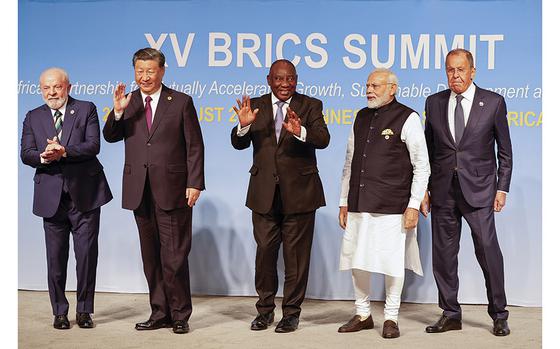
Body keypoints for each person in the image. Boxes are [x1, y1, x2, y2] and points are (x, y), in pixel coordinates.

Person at [103, 48, 205, 334]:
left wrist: (195, 182)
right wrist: (118, 111)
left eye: (150, 71)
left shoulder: (181, 102)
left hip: (173, 189)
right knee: (151, 258)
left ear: (162, 71)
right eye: (139, 71)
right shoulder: (129, 101)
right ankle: (159, 312)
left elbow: (194, 146)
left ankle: (180, 314)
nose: (144, 76)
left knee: (174, 256)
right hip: (139, 191)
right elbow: (110, 136)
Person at [231, 59, 330, 333]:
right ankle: (264, 311)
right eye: (279, 79)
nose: (285, 85)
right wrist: (243, 126)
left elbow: (323, 139)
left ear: (296, 79)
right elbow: (238, 143)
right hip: (263, 195)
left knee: (296, 259)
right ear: (269, 79)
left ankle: (291, 314)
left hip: (300, 195)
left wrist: (301, 131)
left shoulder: (311, 105)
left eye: (290, 79)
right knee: (264, 255)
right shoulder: (257, 106)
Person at [421, 48, 513, 336]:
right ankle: (450, 313)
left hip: (481, 191)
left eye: (461, 69)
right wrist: (424, 188)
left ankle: (499, 314)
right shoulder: (433, 103)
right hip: (443, 192)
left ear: (473, 71)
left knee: (488, 252)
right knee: (444, 257)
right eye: (450, 69)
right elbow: (427, 150)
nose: (455, 75)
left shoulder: (494, 102)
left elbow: (505, 152)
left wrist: (502, 188)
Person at [337, 68, 430, 339]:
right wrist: (344, 200)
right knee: (358, 259)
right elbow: (349, 162)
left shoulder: (408, 117)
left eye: (376, 85)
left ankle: (391, 317)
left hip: (393, 204)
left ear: (392, 88)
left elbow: (422, 166)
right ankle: (362, 313)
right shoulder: (360, 117)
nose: (369, 90)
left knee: (391, 262)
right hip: (358, 201)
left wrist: (413, 204)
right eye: (367, 85)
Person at [20, 67, 113, 330]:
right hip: (51, 197)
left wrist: (64, 151)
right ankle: (59, 311)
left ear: (68, 87)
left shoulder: (86, 109)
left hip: (85, 194)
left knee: (85, 256)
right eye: (46, 88)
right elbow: (26, 153)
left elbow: (93, 145)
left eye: (57, 87)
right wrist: (43, 155)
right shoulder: (33, 117)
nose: (52, 92)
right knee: (55, 259)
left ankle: (84, 311)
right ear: (41, 90)